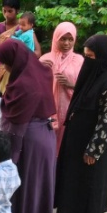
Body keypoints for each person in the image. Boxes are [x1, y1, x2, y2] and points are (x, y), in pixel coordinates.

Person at [0, 39, 57, 213]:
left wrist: (8, 159)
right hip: (45, 138)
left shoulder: (23, 85)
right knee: (38, 192)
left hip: (28, 141)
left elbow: (16, 125)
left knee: (22, 194)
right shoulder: (41, 71)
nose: (5, 68)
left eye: (6, 63)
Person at [54, 34, 107, 213]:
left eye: (91, 57)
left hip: (93, 140)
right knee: (75, 175)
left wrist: (94, 150)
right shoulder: (95, 75)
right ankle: (74, 208)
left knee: (89, 178)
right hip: (79, 136)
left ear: (103, 57)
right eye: (85, 57)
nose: (87, 61)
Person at [39, 22, 85, 154]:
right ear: (56, 38)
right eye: (63, 39)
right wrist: (37, 66)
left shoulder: (79, 61)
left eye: (70, 39)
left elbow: (86, 89)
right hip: (47, 113)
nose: (66, 43)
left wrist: (70, 84)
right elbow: (33, 85)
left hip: (69, 114)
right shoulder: (45, 59)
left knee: (65, 150)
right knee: (46, 149)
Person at [0, 0, 42, 93]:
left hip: (20, 69)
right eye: (4, 11)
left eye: (10, 11)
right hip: (2, 68)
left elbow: (37, 53)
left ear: (17, 11)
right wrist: (9, 57)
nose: (6, 14)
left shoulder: (25, 28)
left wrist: (19, 58)